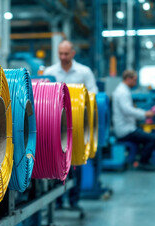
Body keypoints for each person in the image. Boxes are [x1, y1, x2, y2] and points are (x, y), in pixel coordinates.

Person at [45, 40, 98, 209]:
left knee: (76, 162)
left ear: (73, 53)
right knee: (57, 162)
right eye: (60, 53)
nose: (63, 57)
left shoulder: (84, 72)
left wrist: (78, 104)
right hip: (56, 127)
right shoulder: (50, 72)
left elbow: (93, 93)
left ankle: (74, 199)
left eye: (66, 54)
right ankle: (58, 200)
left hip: (78, 127)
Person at [112, 70, 155, 170]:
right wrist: (145, 114)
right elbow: (127, 110)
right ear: (128, 79)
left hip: (128, 127)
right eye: (134, 80)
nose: (135, 82)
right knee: (153, 138)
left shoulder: (123, 90)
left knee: (151, 139)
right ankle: (143, 162)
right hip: (125, 130)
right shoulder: (122, 92)